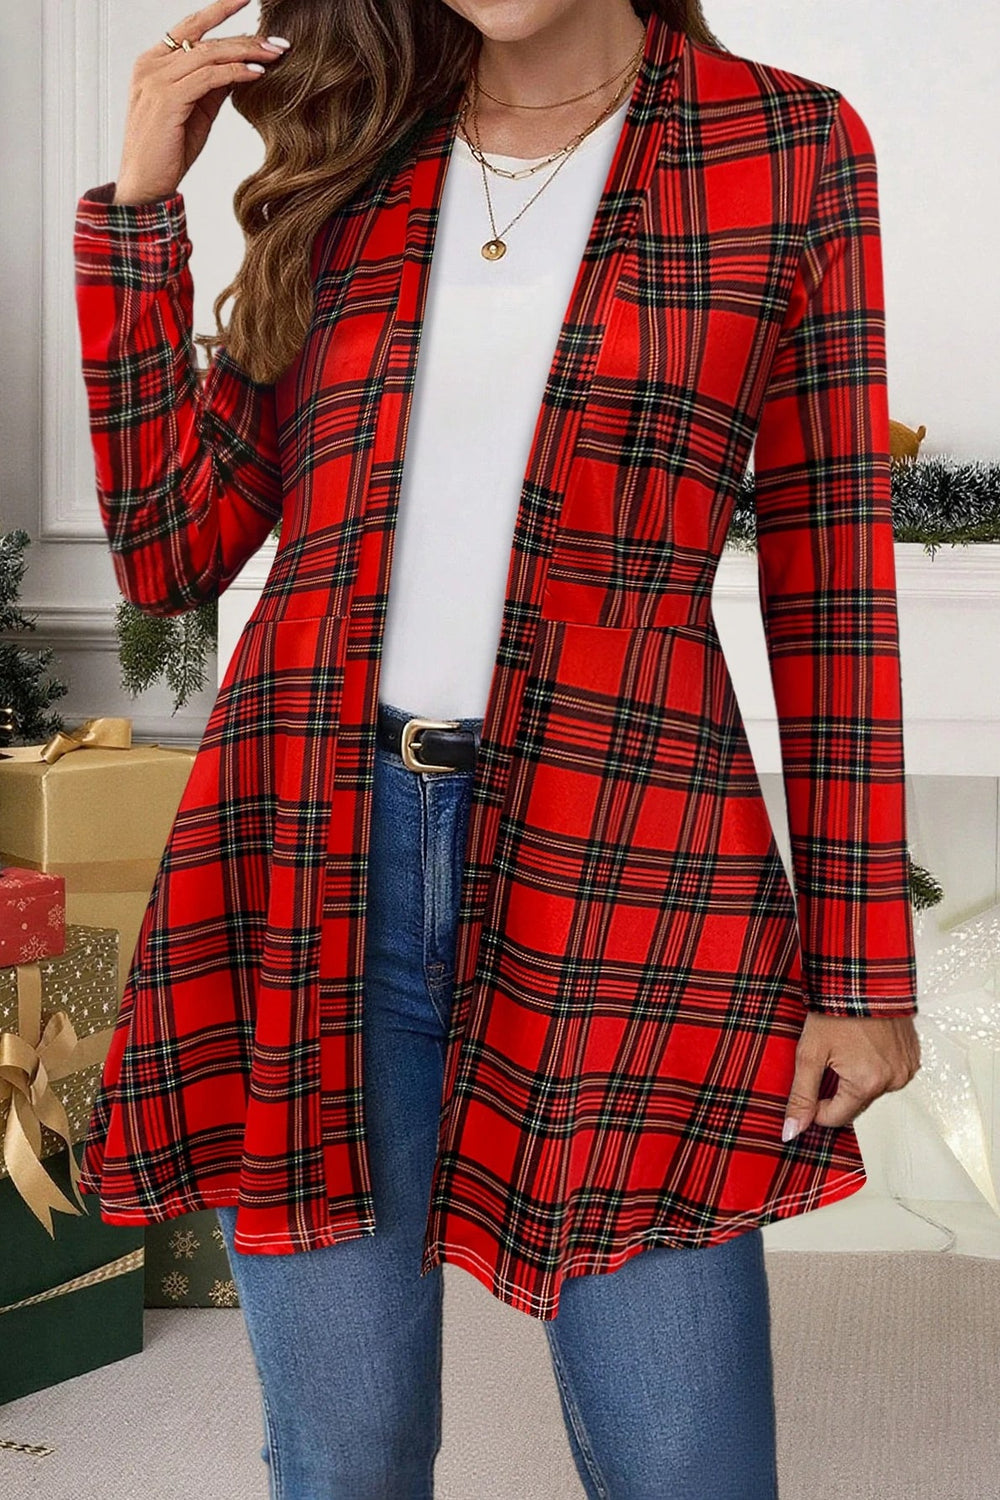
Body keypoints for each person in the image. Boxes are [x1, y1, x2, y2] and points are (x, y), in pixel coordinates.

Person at [73, 1, 922, 1496]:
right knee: (345, 1458)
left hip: (625, 858)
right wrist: (142, 213)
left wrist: (860, 972)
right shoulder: (357, 143)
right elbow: (169, 549)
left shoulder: (784, 146)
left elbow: (831, 570)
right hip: (318, 851)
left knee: (690, 1462)